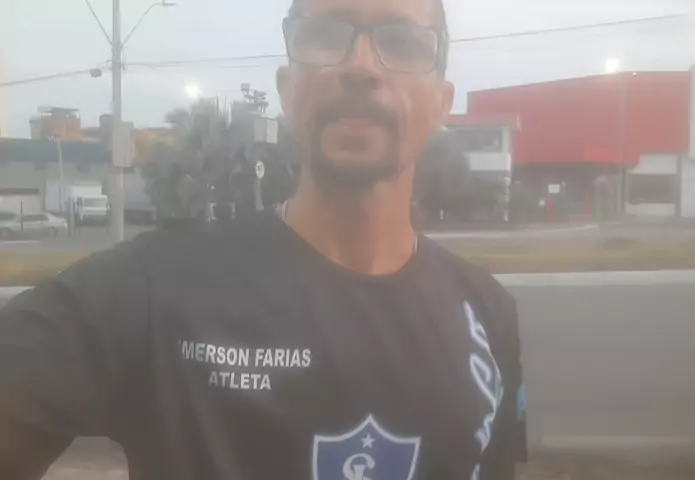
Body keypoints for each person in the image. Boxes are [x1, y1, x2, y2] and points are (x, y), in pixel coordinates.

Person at [0, 0, 524, 478]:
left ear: (440, 104)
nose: (361, 66)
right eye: (326, 35)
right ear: (287, 90)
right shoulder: (150, 292)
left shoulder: (487, 310)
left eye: (402, 42)